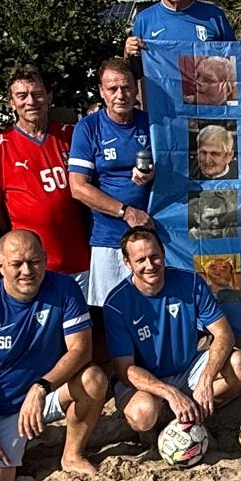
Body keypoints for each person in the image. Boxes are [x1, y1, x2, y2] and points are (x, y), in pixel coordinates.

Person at [0, 231, 108, 481]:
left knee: (93, 379)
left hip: (45, 394)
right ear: (0, 266)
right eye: (17, 264)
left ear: (46, 259)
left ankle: (71, 455)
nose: (27, 271)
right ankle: (6, 452)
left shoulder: (65, 288)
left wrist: (40, 387)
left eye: (34, 262)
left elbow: (81, 350)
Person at [103, 228, 241, 439]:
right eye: (141, 260)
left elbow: (224, 334)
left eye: (154, 256)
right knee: (143, 414)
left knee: (240, 364)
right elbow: (124, 368)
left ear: (163, 253)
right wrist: (170, 393)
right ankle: (162, 420)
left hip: (187, 368)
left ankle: (197, 411)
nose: (150, 265)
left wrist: (206, 379)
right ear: (127, 263)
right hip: (147, 380)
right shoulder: (116, 303)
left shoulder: (190, 282)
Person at [0, 65, 90, 292]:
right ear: (11, 102)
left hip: (81, 260)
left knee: (84, 315)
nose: (31, 101)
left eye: (37, 94)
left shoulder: (72, 135)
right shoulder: (0, 147)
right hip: (32, 268)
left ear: (49, 97)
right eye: (22, 96)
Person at [68, 59, 155, 307]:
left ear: (136, 89)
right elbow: (78, 187)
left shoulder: (151, 123)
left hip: (152, 236)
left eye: (126, 87)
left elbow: (176, 166)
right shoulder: (88, 127)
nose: (120, 95)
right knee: (111, 312)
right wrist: (125, 212)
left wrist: (155, 173)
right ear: (102, 91)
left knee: (153, 307)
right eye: (113, 88)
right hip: (109, 238)